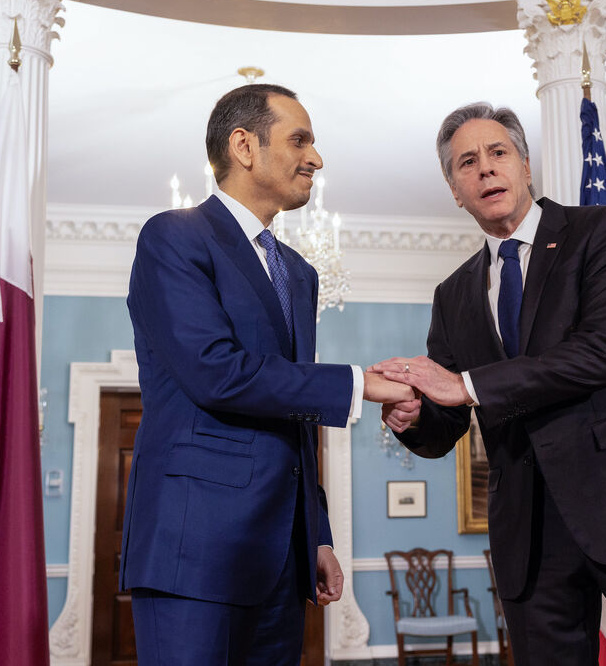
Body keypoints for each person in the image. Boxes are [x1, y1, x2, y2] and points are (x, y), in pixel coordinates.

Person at [372, 102, 606, 665]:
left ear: (525, 166)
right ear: (454, 190)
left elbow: (600, 355)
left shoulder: (601, 231)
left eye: (497, 153)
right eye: (466, 163)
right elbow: (446, 426)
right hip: (529, 539)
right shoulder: (453, 294)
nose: (485, 169)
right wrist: (413, 418)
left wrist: (464, 384)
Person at [123, 83, 413, 665]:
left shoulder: (299, 273)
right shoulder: (173, 236)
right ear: (244, 146)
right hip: (193, 546)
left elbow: (293, 416)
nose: (317, 158)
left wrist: (318, 534)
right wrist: (358, 383)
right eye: (300, 139)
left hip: (282, 558)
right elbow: (217, 374)